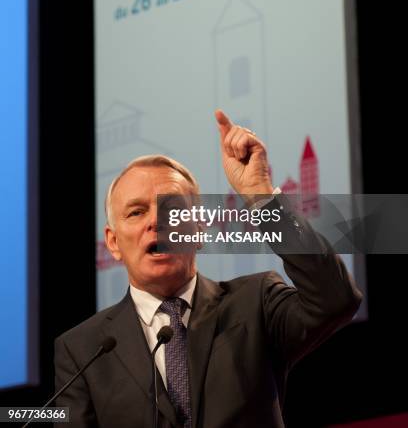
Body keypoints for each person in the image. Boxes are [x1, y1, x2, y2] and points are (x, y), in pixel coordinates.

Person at [55, 110, 362, 427]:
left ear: (200, 229)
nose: (155, 221)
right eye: (136, 212)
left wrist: (260, 195)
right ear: (113, 242)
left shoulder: (256, 302)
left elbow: (336, 299)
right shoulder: (82, 350)